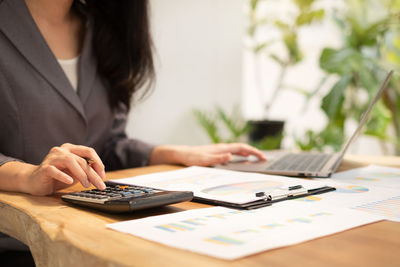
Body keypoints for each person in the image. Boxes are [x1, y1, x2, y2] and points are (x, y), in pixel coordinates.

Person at [0, 0, 266, 197]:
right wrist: (28, 176)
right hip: (16, 237)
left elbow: (106, 146)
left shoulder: (105, 30)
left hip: (86, 226)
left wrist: (172, 153)